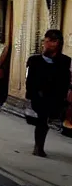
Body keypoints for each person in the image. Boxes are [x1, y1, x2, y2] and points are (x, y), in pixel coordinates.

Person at [26, 29, 71, 157]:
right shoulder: (35, 60)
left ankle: (39, 146)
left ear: (57, 43)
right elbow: (29, 80)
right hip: (39, 97)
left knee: (46, 121)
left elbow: (66, 80)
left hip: (56, 97)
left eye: (50, 41)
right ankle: (38, 147)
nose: (46, 44)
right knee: (42, 121)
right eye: (45, 41)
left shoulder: (65, 61)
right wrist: (33, 94)